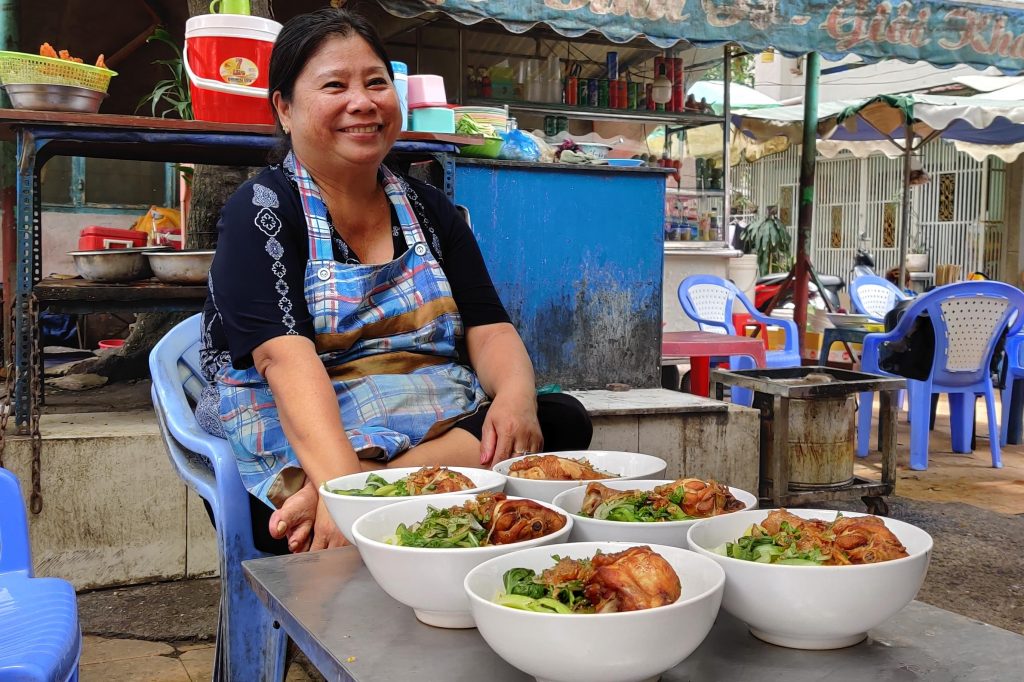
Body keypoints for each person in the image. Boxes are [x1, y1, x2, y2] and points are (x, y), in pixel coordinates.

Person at [197, 7, 592, 554]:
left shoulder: (430, 209)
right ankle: (367, 487)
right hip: (302, 413)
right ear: (284, 109)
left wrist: (517, 398)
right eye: (334, 85)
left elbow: (489, 327)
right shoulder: (262, 211)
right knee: (287, 504)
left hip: (420, 406)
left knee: (559, 419)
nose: (362, 102)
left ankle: (377, 487)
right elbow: (285, 361)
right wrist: (341, 486)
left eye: (376, 82)